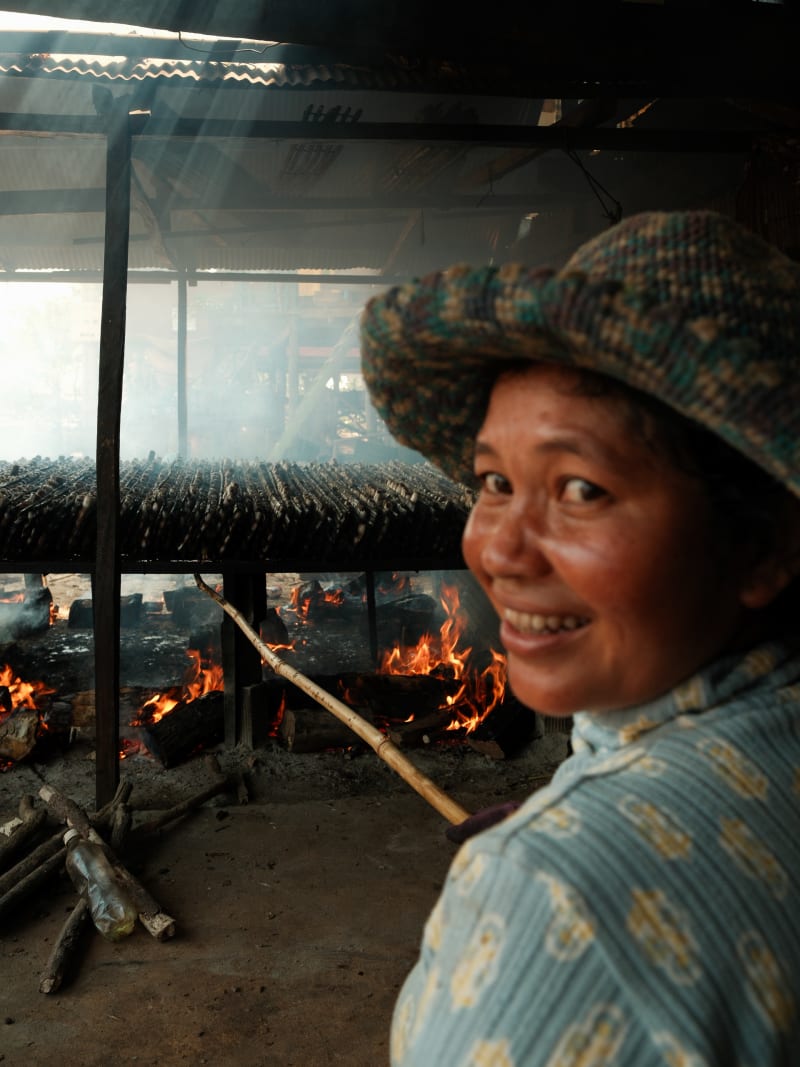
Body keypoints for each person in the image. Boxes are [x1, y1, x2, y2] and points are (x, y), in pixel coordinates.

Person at [358, 210, 800, 1066]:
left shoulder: (556, 895)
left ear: (766, 541)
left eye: (582, 490)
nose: (499, 549)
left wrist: (560, 845)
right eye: (494, 481)